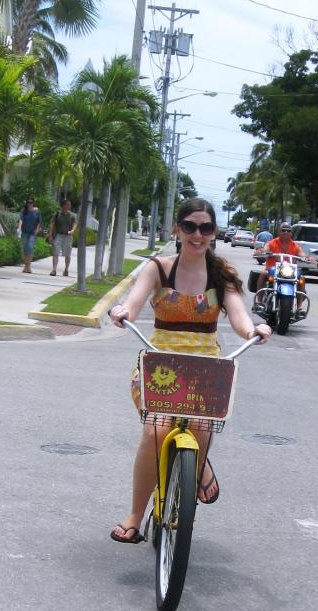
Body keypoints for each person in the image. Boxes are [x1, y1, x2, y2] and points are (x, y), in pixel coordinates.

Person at [108, 198, 272, 543]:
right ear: (177, 229)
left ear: (214, 232)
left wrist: (253, 330)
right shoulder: (158, 268)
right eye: (190, 227)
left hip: (205, 371)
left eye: (206, 228)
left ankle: (195, 468)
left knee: (200, 427)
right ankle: (136, 514)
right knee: (154, 433)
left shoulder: (221, 273)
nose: (198, 235)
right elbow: (134, 301)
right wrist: (123, 311)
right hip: (159, 366)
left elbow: (239, 316)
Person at [47, 199, 76, 276]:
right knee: (55, 252)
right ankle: (54, 270)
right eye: (68, 204)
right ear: (63, 205)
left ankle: (66, 269)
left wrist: (73, 230)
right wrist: (50, 235)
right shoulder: (57, 214)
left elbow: (74, 224)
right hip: (58, 235)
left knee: (67, 254)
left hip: (68, 236)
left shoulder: (72, 216)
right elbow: (52, 225)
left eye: (69, 204)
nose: (69, 206)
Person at [16, 198, 41, 274]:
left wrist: (37, 230)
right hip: (24, 232)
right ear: (26, 203)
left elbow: (39, 221)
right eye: (28, 202)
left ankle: (28, 266)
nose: (29, 204)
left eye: (31, 202)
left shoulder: (37, 211)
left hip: (32, 233)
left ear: (33, 203)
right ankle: (25, 266)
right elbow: (21, 219)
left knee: (30, 247)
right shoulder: (24, 211)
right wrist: (19, 228)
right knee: (24, 248)